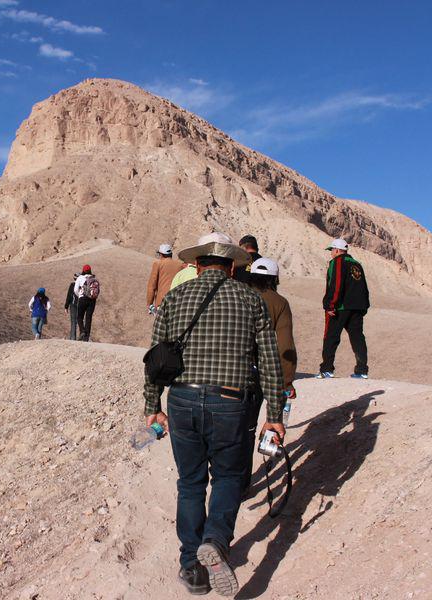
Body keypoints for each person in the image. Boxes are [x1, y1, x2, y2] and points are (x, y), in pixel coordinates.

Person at [144, 232, 284, 597]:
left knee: (190, 483)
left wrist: (152, 408)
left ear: (196, 264)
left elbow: (156, 360)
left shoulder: (174, 297)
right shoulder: (251, 299)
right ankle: (217, 540)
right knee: (227, 476)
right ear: (233, 266)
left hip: (183, 400)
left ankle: (191, 566)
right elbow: (269, 361)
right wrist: (275, 413)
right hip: (231, 401)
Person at [242, 257, 298, 490]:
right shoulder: (280, 303)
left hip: (239, 371)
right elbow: (285, 345)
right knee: (259, 425)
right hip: (266, 372)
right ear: (275, 278)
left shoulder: (238, 295)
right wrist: (287, 381)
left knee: (241, 428)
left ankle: (235, 481)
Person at [318, 238, 370, 379]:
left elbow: (336, 284)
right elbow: (364, 287)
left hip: (340, 307)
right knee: (358, 338)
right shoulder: (357, 264)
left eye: (331, 251)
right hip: (357, 307)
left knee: (331, 337)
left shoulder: (338, 262)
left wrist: (330, 304)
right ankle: (362, 370)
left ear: (336, 250)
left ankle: (327, 369)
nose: (331, 254)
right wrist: (364, 306)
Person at [146, 243, 184, 313]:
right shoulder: (180, 265)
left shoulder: (158, 264)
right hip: (177, 302)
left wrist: (149, 304)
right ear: (171, 254)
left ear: (161, 254)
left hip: (162, 303)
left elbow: (152, 286)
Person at [74, 265, 99, 342]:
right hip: (92, 300)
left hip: (83, 299)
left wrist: (80, 296)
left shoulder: (80, 278)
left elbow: (75, 290)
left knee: (79, 317)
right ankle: (86, 338)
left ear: (83, 270)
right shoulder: (94, 278)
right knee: (88, 318)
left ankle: (82, 331)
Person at [64, 274, 79, 340]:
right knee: (81, 321)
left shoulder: (72, 285)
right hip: (81, 305)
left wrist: (66, 306)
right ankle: (83, 338)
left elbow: (69, 296)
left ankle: (73, 338)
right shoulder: (82, 285)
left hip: (73, 305)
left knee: (73, 321)